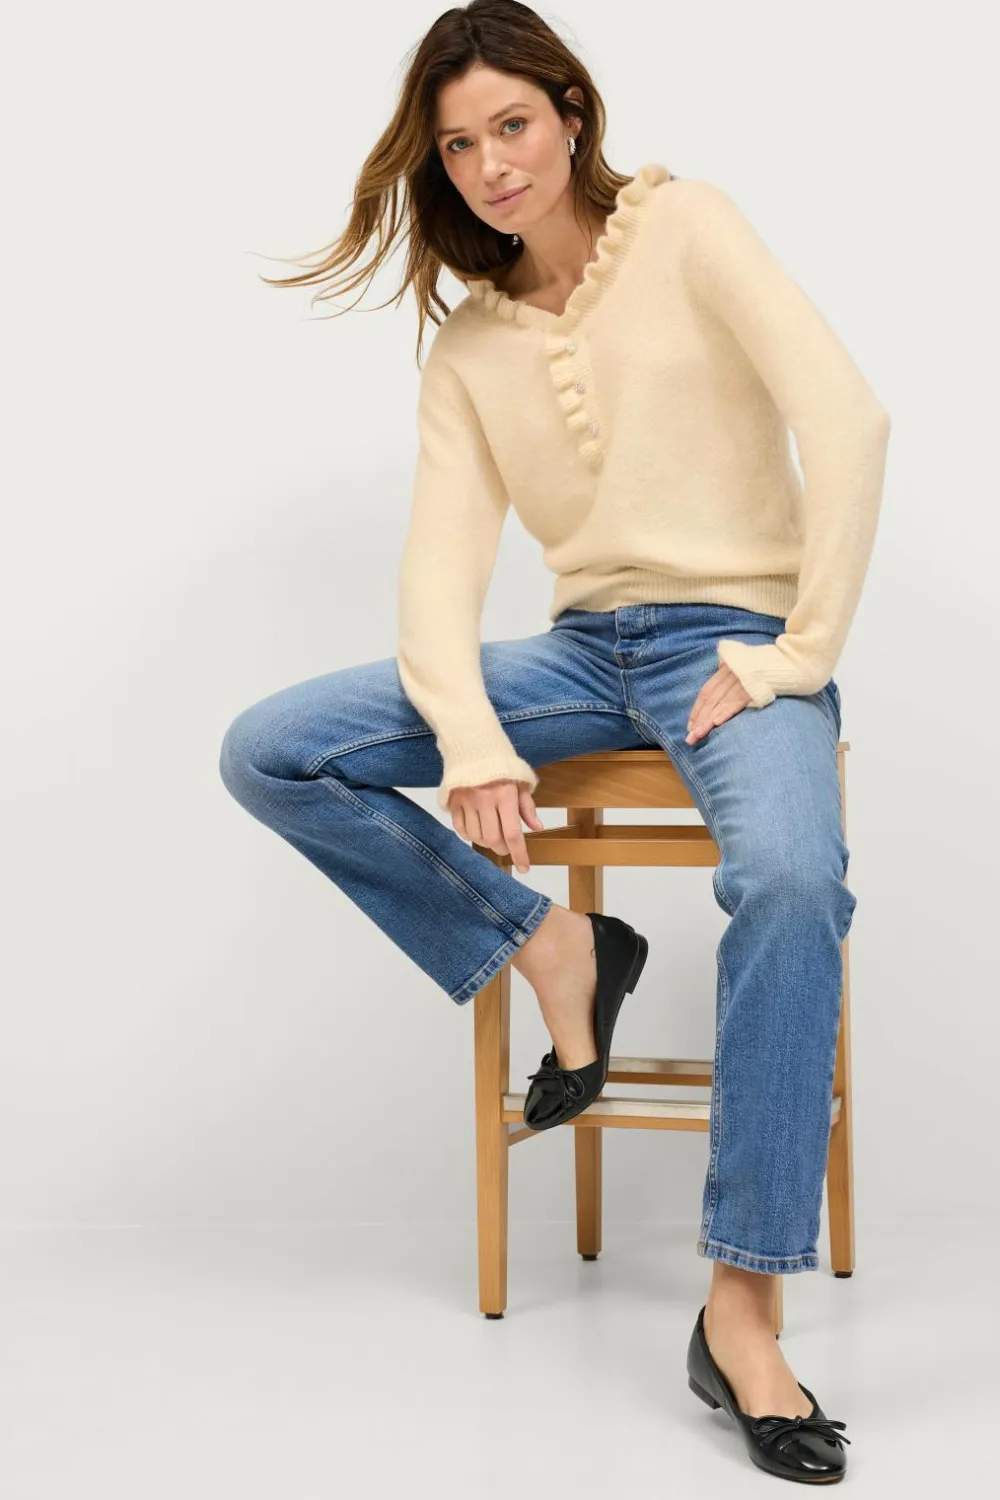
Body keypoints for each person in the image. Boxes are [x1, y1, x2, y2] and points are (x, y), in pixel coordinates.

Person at [219, 1, 890, 1482]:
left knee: (792, 884)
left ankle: (742, 1315)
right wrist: (469, 738)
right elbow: (438, 579)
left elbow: (849, 421)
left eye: (511, 126)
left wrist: (796, 656)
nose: (491, 165)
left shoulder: (690, 224)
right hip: (584, 652)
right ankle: (554, 946)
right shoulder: (470, 348)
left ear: (571, 115)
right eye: (460, 146)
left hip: (737, 647)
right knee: (272, 749)